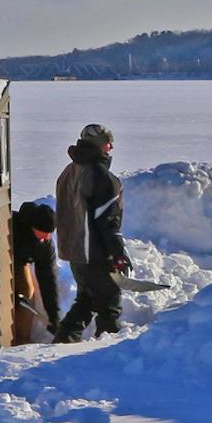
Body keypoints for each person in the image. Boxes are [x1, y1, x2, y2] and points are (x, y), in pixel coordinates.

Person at [53, 123, 129, 343]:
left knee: (86, 300)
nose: (111, 147)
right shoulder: (100, 176)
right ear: (99, 146)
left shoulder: (70, 170)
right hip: (93, 250)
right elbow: (108, 221)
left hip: (75, 250)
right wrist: (118, 253)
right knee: (109, 304)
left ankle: (62, 341)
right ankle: (108, 352)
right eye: (108, 143)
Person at [9, 201, 59, 344]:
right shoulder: (14, 225)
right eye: (42, 235)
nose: (44, 239)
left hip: (21, 263)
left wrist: (53, 315)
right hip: (2, 261)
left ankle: (21, 341)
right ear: (32, 227)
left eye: (48, 236)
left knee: (27, 293)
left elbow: (48, 278)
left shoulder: (45, 245)